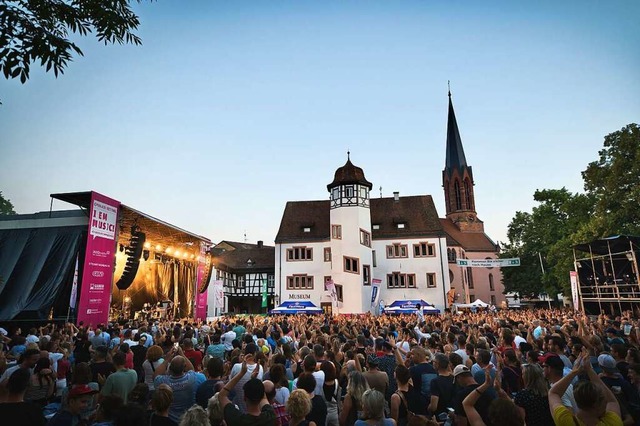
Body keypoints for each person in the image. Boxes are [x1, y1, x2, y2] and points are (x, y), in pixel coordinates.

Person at [549, 349, 623, 425]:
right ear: (597, 404)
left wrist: (574, 372)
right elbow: (611, 401)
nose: (606, 401)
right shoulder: (612, 423)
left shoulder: (565, 421)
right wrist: (589, 369)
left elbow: (553, 393)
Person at [153, 347, 206, 424]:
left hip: (170, 420)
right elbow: (191, 370)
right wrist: (182, 354)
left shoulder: (163, 382)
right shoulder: (195, 378)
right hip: (189, 420)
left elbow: (156, 375)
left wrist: (167, 359)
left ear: (170, 369)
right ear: (184, 368)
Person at [218, 360, 276, 425]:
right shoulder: (270, 417)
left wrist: (242, 373)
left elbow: (222, 395)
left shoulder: (236, 419)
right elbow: (263, 397)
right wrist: (254, 380)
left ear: (244, 398)